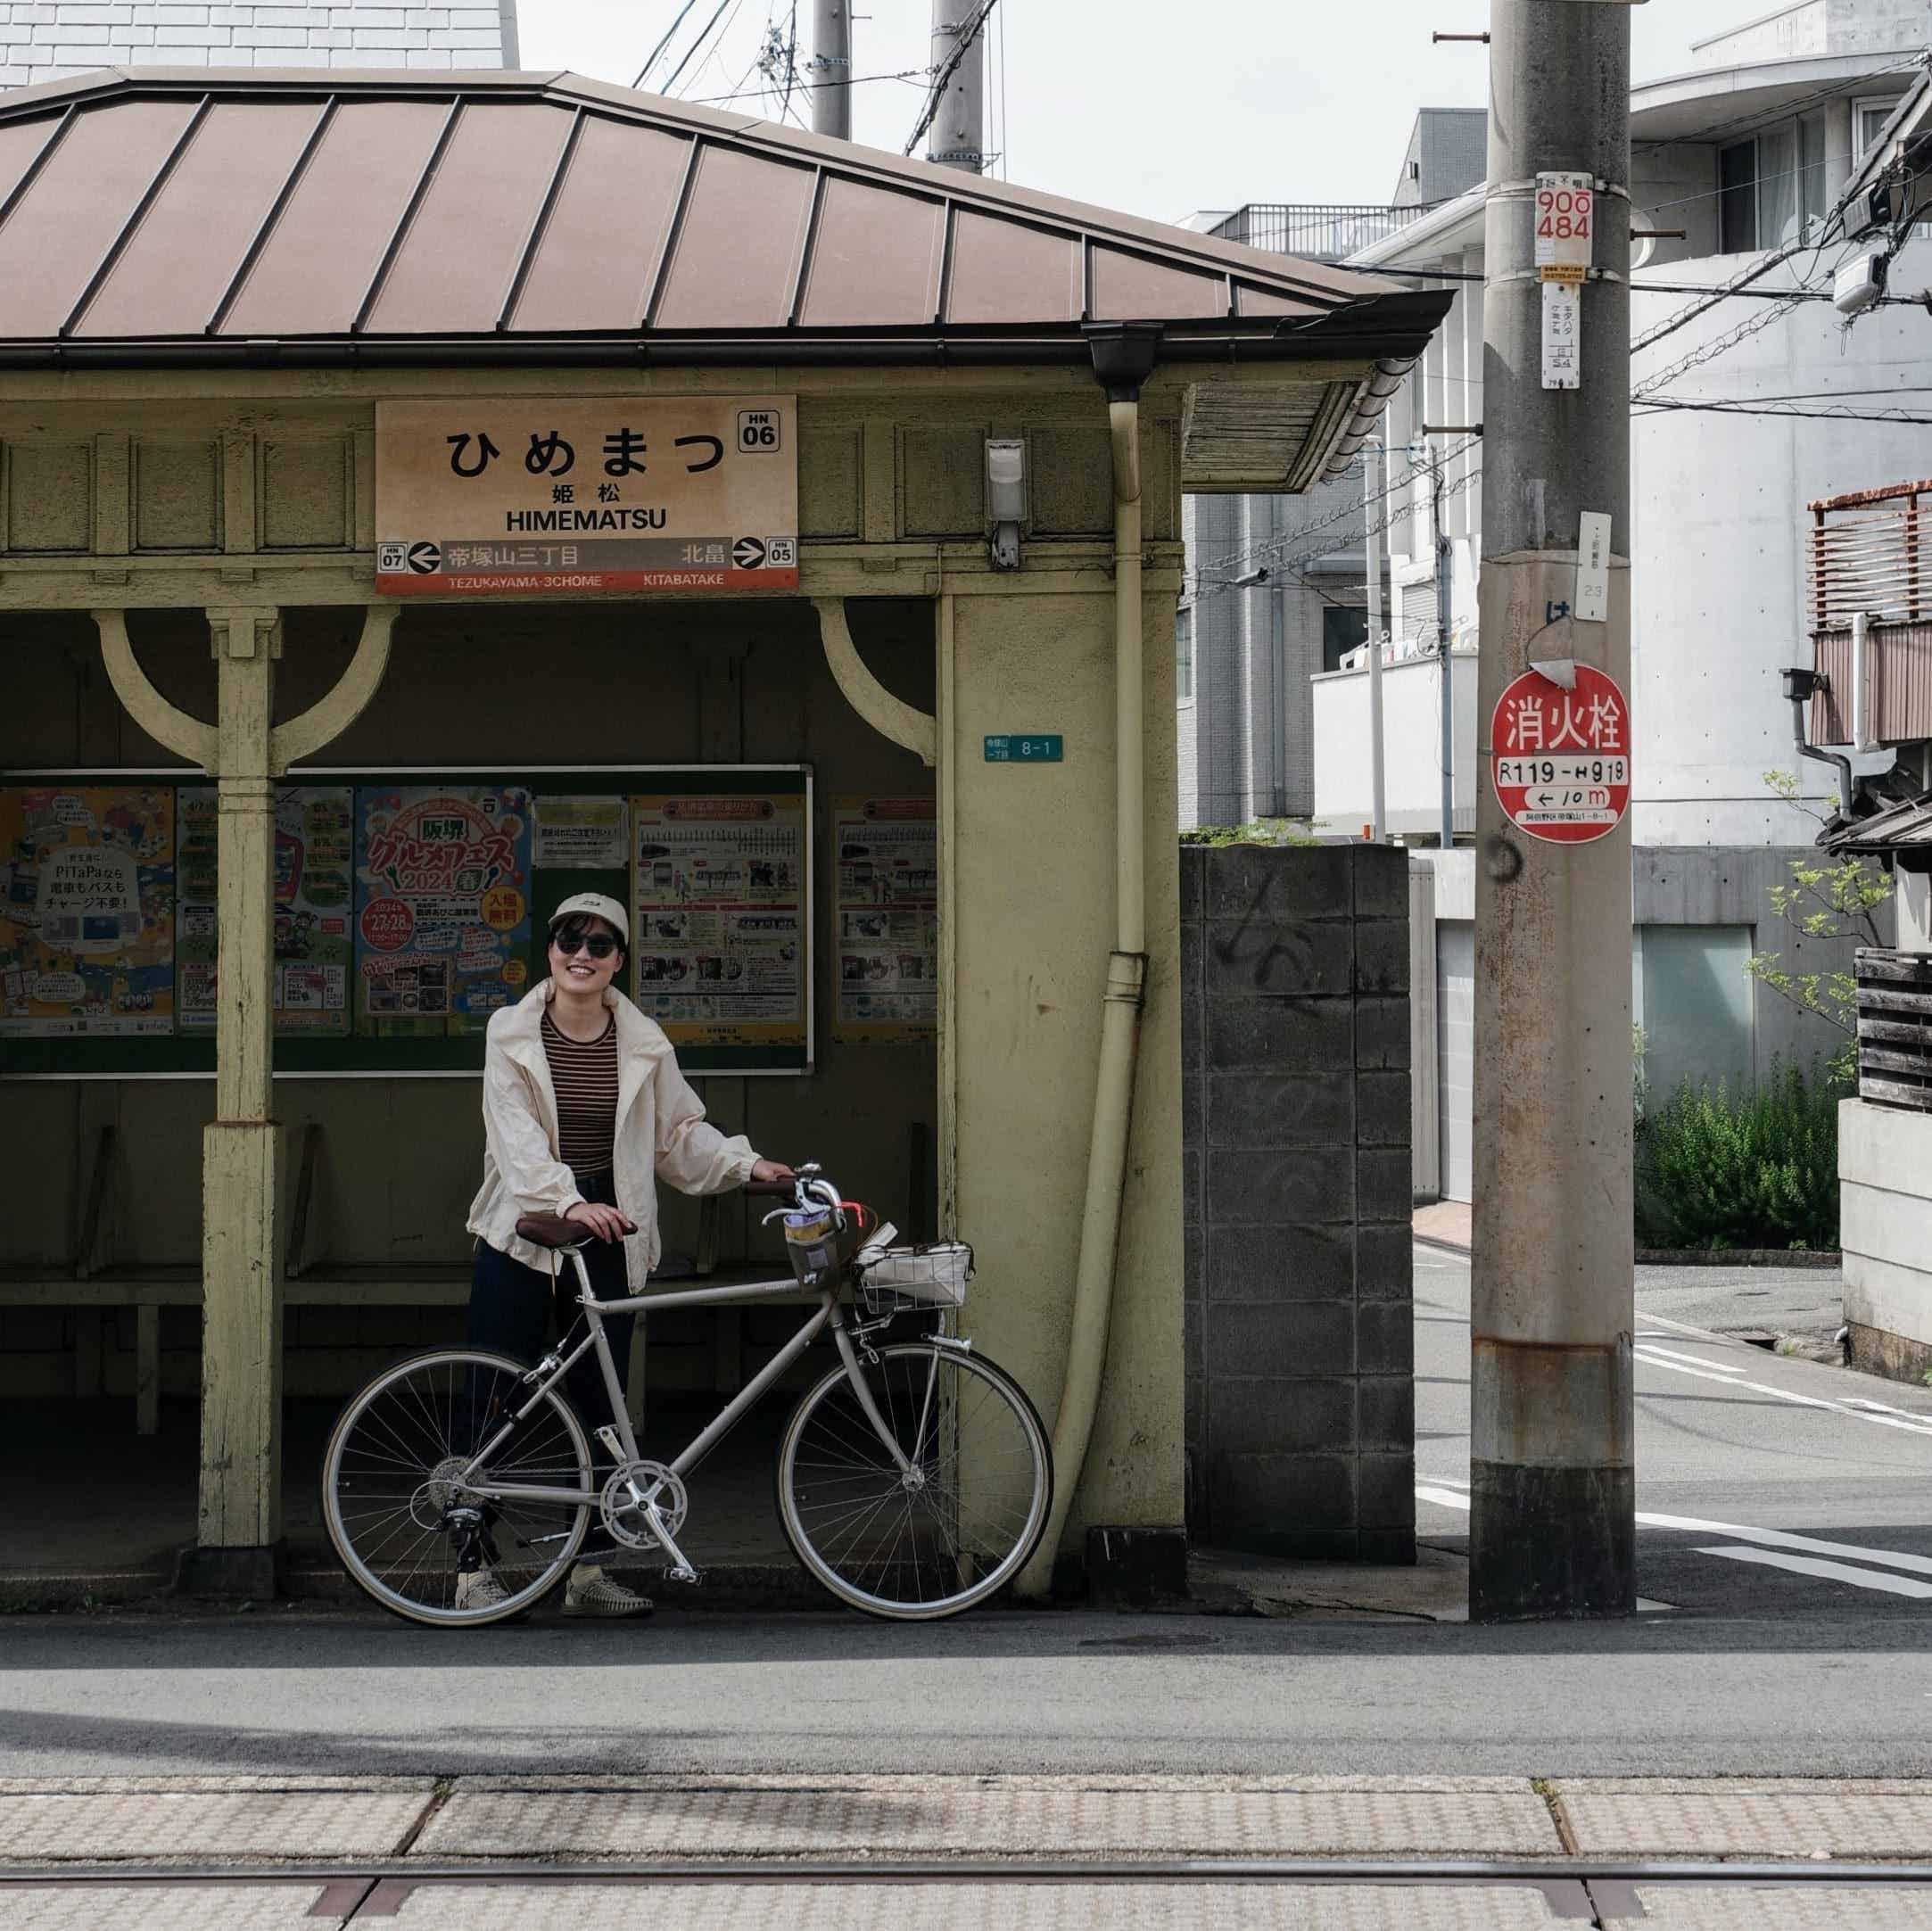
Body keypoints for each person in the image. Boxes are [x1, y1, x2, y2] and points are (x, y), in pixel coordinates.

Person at [459, 892, 791, 1618]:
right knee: (495, 1391)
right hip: (525, 1223)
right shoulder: (510, 1032)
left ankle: (589, 1573)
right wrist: (566, 1200)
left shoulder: (643, 1041)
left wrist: (748, 1166)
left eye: (601, 944)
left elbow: (679, 1136)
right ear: (550, 949)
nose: (582, 954)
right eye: (569, 938)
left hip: (612, 1225)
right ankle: (470, 1565)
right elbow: (514, 1138)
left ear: (619, 960)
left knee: (601, 1402)